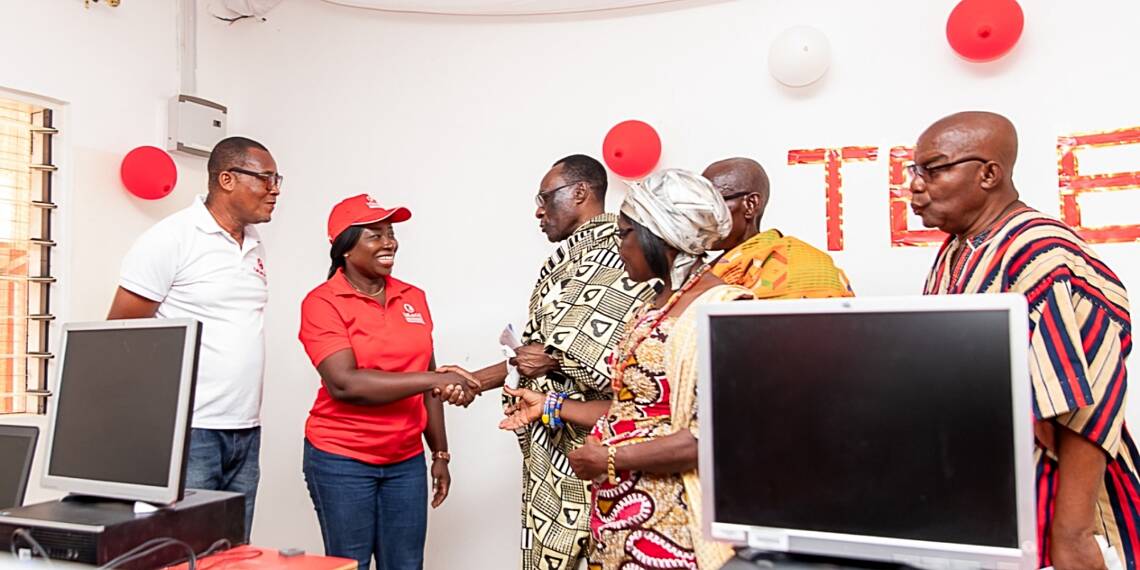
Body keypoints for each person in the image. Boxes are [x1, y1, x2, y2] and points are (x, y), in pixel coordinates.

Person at [912, 111, 1136, 570]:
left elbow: (1089, 403)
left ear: (988, 173)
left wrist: (1071, 533)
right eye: (915, 172)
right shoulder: (959, 247)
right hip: (985, 494)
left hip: (1049, 500)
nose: (915, 185)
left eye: (932, 170)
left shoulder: (1041, 253)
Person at [501, 169, 749, 570]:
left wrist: (610, 460)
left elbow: (712, 440)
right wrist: (549, 404)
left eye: (624, 234)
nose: (618, 248)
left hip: (675, 527)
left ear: (660, 235)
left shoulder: (722, 312)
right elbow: (630, 410)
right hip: (618, 518)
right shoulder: (650, 306)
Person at [438, 155, 654, 570]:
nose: (538, 210)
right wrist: (473, 381)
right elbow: (541, 352)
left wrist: (548, 362)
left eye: (544, 197)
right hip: (553, 445)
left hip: (596, 445)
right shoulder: (572, 257)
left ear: (580, 192)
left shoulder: (617, 250)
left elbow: (583, 356)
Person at [108, 136, 280, 539]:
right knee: (183, 552)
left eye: (278, 179)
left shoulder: (255, 245)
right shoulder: (171, 239)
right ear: (226, 179)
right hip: (190, 431)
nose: (275, 190)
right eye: (266, 178)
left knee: (234, 552)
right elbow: (119, 336)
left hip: (244, 429)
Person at [297, 194, 475, 570]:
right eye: (374, 235)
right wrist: (435, 378)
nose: (389, 242)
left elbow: (428, 379)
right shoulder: (323, 302)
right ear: (345, 246)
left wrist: (439, 453)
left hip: (405, 460)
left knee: (406, 565)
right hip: (341, 458)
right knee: (351, 565)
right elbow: (344, 383)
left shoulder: (413, 297)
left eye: (390, 233)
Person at [702, 157, 853, 298]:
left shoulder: (808, 266)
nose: (699, 214)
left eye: (711, 203)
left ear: (750, 205)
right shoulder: (706, 274)